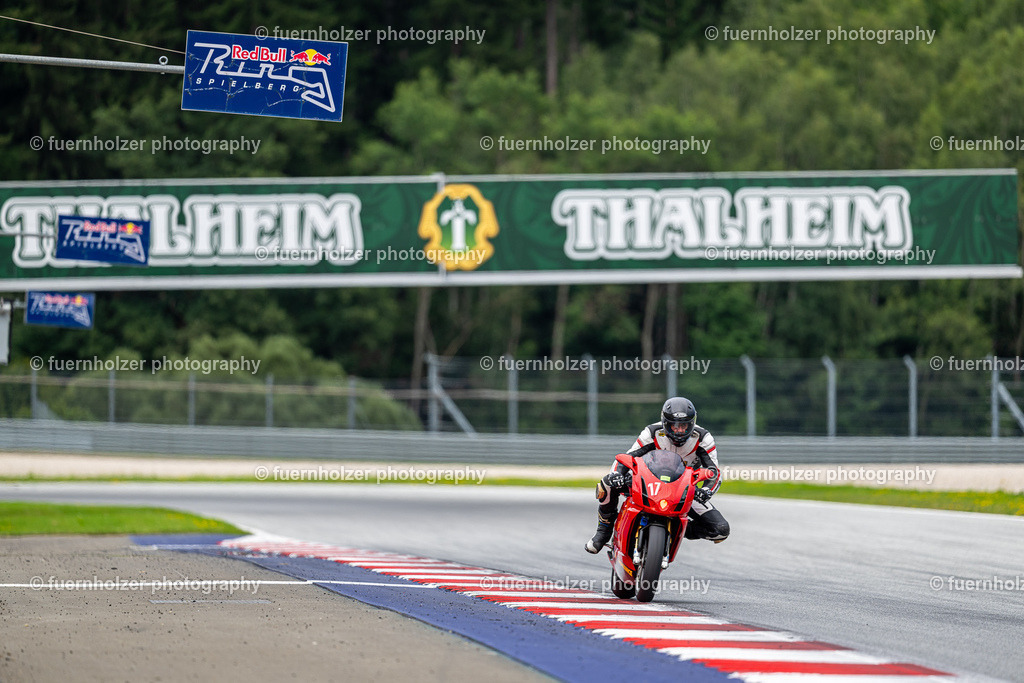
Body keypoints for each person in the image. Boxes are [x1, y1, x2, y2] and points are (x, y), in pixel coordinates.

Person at [585, 396, 730, 554]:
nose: (680, 430)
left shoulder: (703, 438)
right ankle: (603, 531)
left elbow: (714, 472)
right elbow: (627, 457)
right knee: (607, 483)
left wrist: (706, 491)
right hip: (647, 483)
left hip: (682, 490)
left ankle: (677, 529)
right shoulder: (652, 432)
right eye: (675, 426)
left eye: (684, 426)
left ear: (692, 423)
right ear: (665, 423)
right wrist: (617, 475)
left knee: (720, 530)